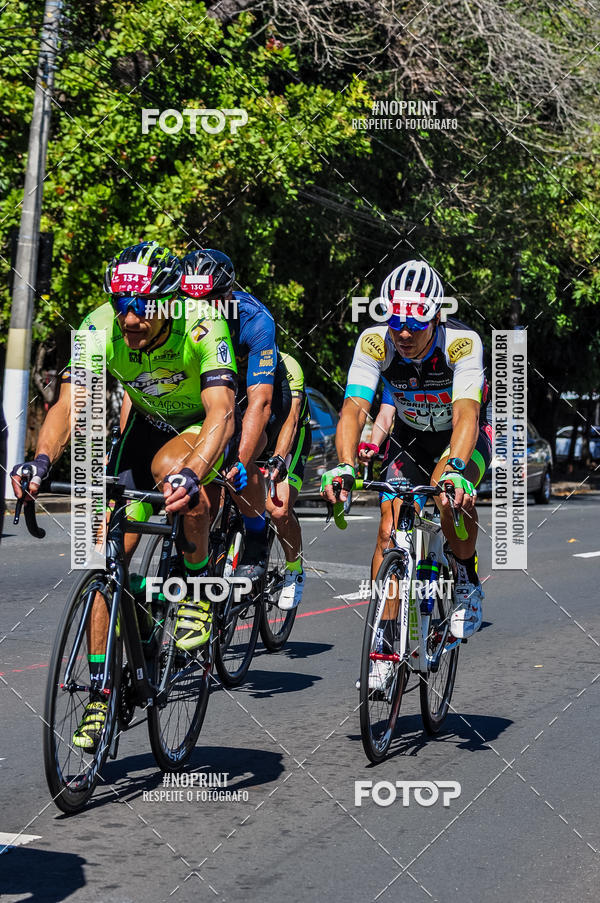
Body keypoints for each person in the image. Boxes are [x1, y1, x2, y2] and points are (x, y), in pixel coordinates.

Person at [11, 241, 238, 748]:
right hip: (148, 431)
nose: (131, 317)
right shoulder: (99, 327)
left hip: (202, 426)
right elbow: (71, 405)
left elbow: (223, 411)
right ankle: (101, 691)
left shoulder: (202, 322)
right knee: (101, 556)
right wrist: (41, 460)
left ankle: (198, 589)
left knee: (174, 474)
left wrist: (195, 473)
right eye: (121, 303)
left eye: (143, 306)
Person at [320, 259, 492, 688]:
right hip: (410, 438)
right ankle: (385, 642)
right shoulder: (375, 343)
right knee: (387, 527)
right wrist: (343, 464)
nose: (405, 332)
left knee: (445, 495)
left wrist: (454, 471)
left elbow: (467, 415)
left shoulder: (462, 343)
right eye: (395, 319)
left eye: (416, 321)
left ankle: (467, 579)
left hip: (460, 437)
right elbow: (353, 409)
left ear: (436, 315)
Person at [178, 248, 291, 579]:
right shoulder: (175, 316)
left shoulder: (255, 320)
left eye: (210, 298)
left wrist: (239, 461)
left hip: (255, 396)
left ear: (228, 295)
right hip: (214, 396)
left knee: (234, 465)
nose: (197, 307)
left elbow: (261, 402)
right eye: (189, 297)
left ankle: (256, 534)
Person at [265, 351, 312, 610]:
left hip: (291, 436)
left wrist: (280, 458)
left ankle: (294, 569)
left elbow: (292, 420)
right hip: (255, 432)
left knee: (279, 508)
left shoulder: (289, 365)